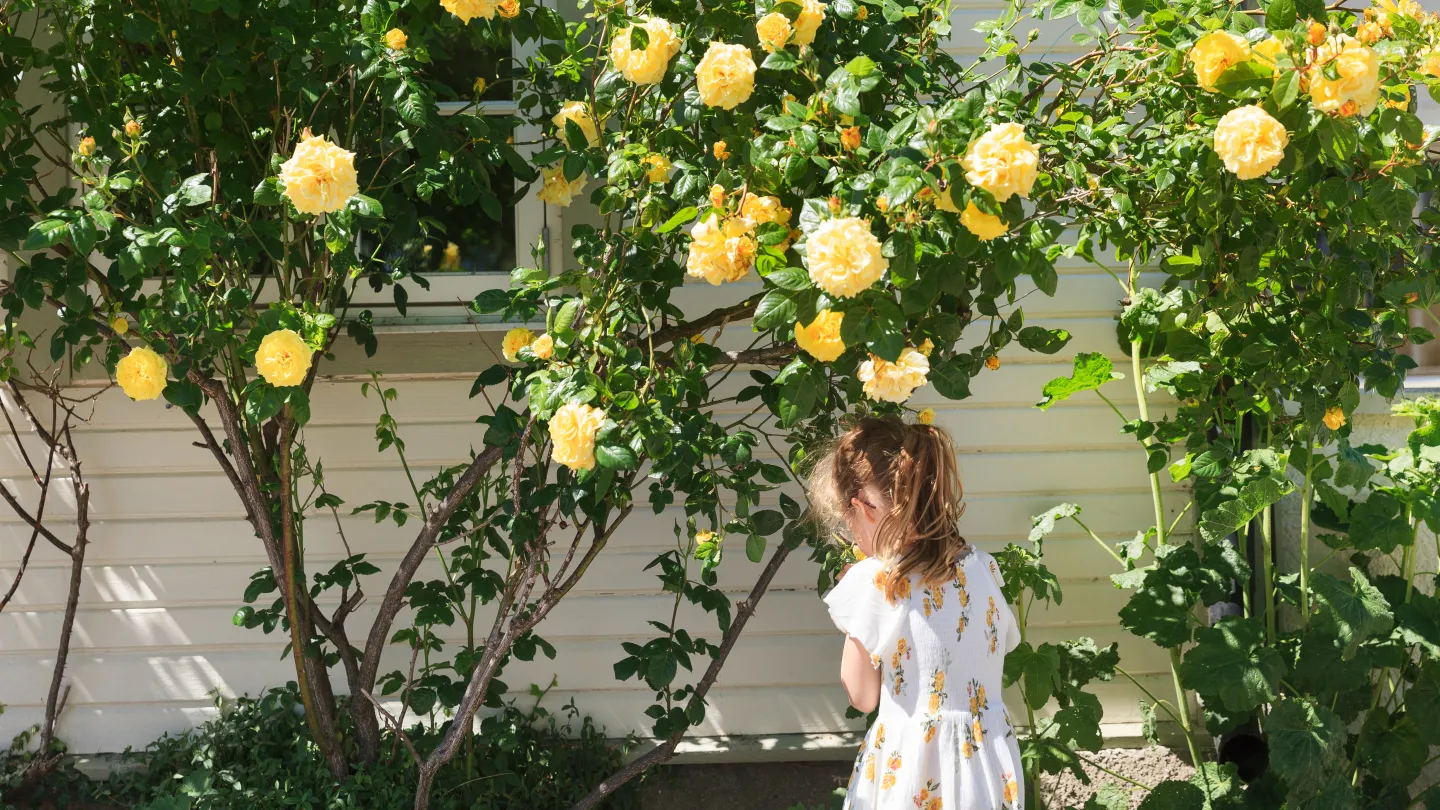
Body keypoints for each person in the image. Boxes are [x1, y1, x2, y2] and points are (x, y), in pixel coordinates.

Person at [811, 416, 1022, 810]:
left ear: (862, 508)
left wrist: (859, 616)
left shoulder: (876, 580)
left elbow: (861, 695)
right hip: (987, 764)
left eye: (848, 520)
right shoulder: (984, 569)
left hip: (912, 770)